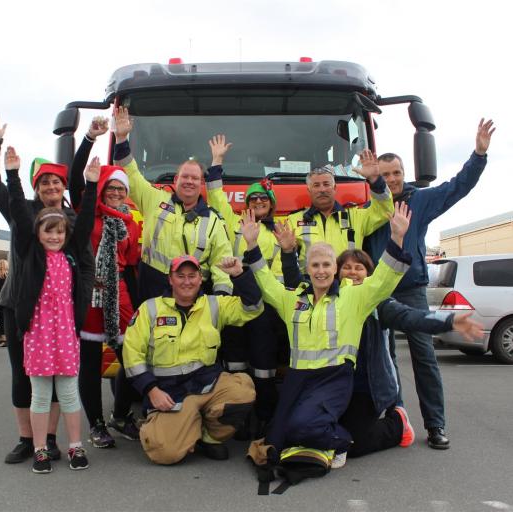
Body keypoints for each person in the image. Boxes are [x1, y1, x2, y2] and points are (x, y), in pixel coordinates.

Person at [278, 226, 484, 461]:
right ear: (337, 271)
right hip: (329, 384)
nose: (353, 272)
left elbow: (410, 316)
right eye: (347, 267)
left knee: (353, 442)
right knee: (295, 429)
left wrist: (448, 320)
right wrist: (287, 252)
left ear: (369, 274)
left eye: (360, 268)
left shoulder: (378, 304)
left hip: (365, 387)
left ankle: (397, 424)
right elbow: (295, 287)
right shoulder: (324, 299)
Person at [244, 203, 411, 485]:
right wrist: (251, 245)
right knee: (277, 439)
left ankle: (356, 437)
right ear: (307, 268)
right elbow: (264, 281)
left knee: (301, 427)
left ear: (335, 268)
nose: (321, 271)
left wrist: (397, 238)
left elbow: (384, 279)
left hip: (333, 377)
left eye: (326, 265)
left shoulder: (353, 297)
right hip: (298, 378)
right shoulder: (292, 299)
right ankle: (320, 435)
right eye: (315, 265)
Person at [365, 118, 496, 450]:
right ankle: (397, 421)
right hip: (378, 292)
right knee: (385, 358)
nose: (391, 179)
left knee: (424, 356)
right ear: (375, 177)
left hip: (410, 291)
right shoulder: (367, 208)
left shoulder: (419, 201)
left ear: (403, 173)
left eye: (396, 173)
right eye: (385, 174)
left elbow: (458, 186)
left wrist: (478, 155)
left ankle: (435, 425)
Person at [0, 112, 93, 464]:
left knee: (58, 376)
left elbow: (86, 266)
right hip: (19, 304)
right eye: (43, 184)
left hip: (60, 312)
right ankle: (27, 439)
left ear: (63, 189)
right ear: (36, 188)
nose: (50, 189)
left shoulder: (71, 223)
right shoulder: (21, 212)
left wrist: (79, 306)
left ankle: (50, 440)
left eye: (56, 184)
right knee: (23, 376)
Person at [5, 145, 99, 473]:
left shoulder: (71, 255)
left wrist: (91, 184)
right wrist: (13, 175)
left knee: (70, 393)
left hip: (66, 335)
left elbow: (85, 222)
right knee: (41, 395)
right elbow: (18, 210)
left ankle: (75, 446)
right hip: (38, 335)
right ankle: (40, 448)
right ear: (37, 233)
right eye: (49, 230)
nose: (55, 236)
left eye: (60, 231)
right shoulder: (30, 251)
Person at [122, 254, 263, 465]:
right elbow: (132, 354)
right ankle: (184, 425)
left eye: (192, 276)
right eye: (180, 276)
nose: (187, 281)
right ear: (170, 279)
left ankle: (209, 436)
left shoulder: (215, 305)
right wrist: (152, 390)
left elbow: (253, 308)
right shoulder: (149, 309)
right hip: (168, 391)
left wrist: (239, 275)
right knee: (165, 453)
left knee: (243, 391)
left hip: (206, 382)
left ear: (200, 279)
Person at [205, 134, 287, 433]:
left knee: (264, 366)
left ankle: (264, 419)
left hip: (263, 308)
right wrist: (216, 161)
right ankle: (237, 419)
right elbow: (215, 195)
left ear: (271, 205)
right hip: (235, 303)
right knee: (235, 362)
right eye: (254, 199)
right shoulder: (233, 222)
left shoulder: (279, 232)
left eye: (264, 199)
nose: (258, 202)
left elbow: (279, 274)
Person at [69, 116, 142, 448]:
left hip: (120, 296)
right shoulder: (89, 211)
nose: (115, 193)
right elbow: (74, 179)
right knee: (89, 363)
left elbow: (132, 264)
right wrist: (89, 139)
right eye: (111, 188)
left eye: (120, 189)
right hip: (90, 295)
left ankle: (121, 415)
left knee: (131, 357)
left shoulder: (130, 222)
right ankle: (96, 424)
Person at [112, 106, 234, 301]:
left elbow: (222, 261)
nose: (189, 181)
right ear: (176, 179)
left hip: (191, 291)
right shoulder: (155, 199)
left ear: (201, 183)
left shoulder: (213, 220)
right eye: (185, 176)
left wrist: (220, 301)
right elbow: (131, 174)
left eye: (194, 178)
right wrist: (121, 139)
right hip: (152, 287)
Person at [286, 150, 394, 271]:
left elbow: (385, 211)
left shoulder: (355, 216)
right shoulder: (293, 220)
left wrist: (375, 180)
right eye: (316, 185)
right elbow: (284, 258)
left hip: (348, 285)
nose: (322, 189)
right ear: (309, 191)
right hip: (312, 286)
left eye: (326, 184)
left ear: (335, 188)